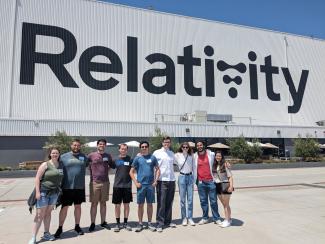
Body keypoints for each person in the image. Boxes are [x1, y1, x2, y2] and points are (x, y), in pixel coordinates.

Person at [28, 148, 64, 244]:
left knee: (48, 214)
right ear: (50, 154)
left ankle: (46, 233)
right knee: (40, 215)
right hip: (43, 192)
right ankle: (33, 237)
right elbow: (37, 178)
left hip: (54, 193)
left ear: (59, 154)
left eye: (57, 153)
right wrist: (38, 192)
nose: (55, 154)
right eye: (53, 153)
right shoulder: (45, 164)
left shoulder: (61, 165)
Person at [54, 139, 88, 238]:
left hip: (79, 187)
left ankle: (77, 226)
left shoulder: (84, 157)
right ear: (71, 145)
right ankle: (60, 228)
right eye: (74, 145)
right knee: (64, 207)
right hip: (67, 187)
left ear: (80, 146)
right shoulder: (63, 157)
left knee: (78, 206)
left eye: (78, 145)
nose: (76, 147)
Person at [129, 141, 160, 232]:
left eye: (146, 146)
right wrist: (135, 182)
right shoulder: (137, 158)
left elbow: (158, 170)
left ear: (148, 147)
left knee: (150, 205)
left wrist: (155, 181)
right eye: (142, 146)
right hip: (141, 186)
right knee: (140, 205)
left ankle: (149, 223)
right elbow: (131, 172)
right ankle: (140, 224)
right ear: (140, 148)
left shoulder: (153, 158)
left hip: (150, 185)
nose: (144, 148)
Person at [193, 141, 221, 225]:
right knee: (203, 201)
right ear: (196, 147)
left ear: (203, 145)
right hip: (200, 182)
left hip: (211, 181)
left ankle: (216, 218)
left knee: (213, 201)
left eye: (201, 145)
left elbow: (219, 158)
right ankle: (205, 218)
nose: (199, 146)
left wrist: (226, 163)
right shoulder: (194, 156)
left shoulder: (211, 154)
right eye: (198, 145)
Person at [153, 136, 177, 232]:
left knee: (169, 202)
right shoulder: (157, 153)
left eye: (168, 142)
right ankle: (159, 223)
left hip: (171, 180)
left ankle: (168, 221)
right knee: (161, 202)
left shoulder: (171, 153)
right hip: (161, 180)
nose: (166, 143)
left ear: (170, 143)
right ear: (162, 143)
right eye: (165, 142)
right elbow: (152, 165)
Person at [88, 139, 112, 232]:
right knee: (94, 204)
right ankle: (92, 223)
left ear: (105, 146)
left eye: (103, 144)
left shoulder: (108, 156)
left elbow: (112, 165)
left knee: (103, 203)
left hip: (105, 182)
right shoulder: (91, 155)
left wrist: (106, 171)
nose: (102, 145)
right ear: (97, 145)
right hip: (94, 183)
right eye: (100, 144)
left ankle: (103, 222)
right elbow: (85, 164)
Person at [110, 143, 133, 232]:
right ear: (119, 150)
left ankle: (125, 223)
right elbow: (109, 166)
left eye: (125, 149)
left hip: (127, 186)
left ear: (127, 150)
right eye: (122, 149)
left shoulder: (130, 159)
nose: (123, 150)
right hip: (117, 186)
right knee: (117, 205)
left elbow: (134, 168)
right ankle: (117, 223)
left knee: (126, 205)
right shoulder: (115, 159)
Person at [174, 142, 196, 226]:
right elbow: (168, 158)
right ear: (181, 147)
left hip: (190, 177)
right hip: (182, 177)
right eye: (184, 147)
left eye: (187, 147)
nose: (185, 148)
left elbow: (194, 167)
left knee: (190, 200)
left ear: (189, 148)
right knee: (182, 200)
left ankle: (190, 217)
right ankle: (184, 218)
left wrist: (194, 178)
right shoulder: (177, 155)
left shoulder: (191, 156)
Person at [213, 151, 234, 228]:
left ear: (222, 157)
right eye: (216, 156)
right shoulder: (215, 165)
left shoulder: (225, 164)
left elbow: (230, 176)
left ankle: (227, 220)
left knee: (226, 204)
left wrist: (231, 186)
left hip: (225, 185)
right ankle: (229, 218)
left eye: (219, 156)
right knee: (224, 204)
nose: (218, 157)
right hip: (218, 185)